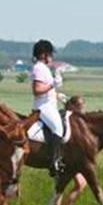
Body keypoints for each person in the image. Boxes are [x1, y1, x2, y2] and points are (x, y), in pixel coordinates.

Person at [30, 39, 66, 177]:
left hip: (49, 104)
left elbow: (46, 91)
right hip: (43, 107)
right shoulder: (39, 68)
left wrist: (56, 95)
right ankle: (55, 162)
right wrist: (53, 85)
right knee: (58, 128)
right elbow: (37, 90)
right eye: (51, 54)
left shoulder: (44, 68)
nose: (52, 57)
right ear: (44, 54)